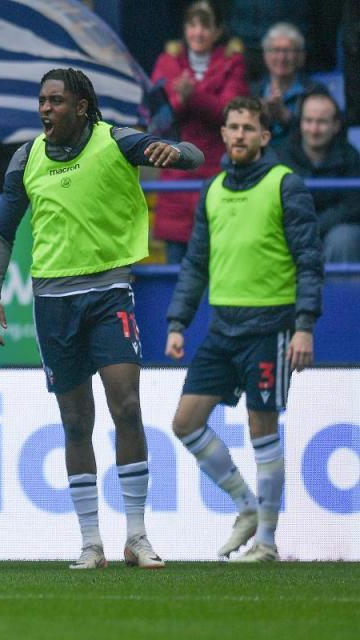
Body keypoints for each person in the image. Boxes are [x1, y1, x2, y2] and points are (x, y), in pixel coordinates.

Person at [0, 68, 204, 570]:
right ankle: (90, 542)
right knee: (76, 422)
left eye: (56, 101)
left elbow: (195, 156)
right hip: (53, 301)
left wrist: (173, 153)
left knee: (126, 405)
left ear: (82, 107)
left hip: (108, 292)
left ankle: (138, 536)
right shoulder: (26, 158)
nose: (45, 109)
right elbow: (1, 232)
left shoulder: (116, 141)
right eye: (41, 100)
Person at [166, 96, 322, 563]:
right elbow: (194, 264)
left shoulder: (284, 185)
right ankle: (246, 505)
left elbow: (309, 260)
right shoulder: (211, 190)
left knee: (262, 431)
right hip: (222, 327)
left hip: (270, 327)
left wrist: (304, 326)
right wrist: (178, 323)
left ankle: (268, 543)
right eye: (231, 128)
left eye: (248, 129)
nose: (237, 135)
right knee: (185, 422)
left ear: (264, 136)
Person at [149, 1, 246, 264]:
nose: (198, 33)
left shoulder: (233, 62)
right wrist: (182, 102)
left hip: (218, 177)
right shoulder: (168, 61)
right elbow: (157, 120)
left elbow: (232, 114)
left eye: (206, 26)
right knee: (176, 276)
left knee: (221, 270)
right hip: (176, 181)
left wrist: (192, 97)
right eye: (192, 25)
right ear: (185, 29)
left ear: (217, 31)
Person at [277, 90, 360, 263]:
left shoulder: (351, 157)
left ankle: (340, 291)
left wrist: (314, 227)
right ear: (300, 123)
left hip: (332, 233)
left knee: (345, 238)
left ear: (336, 125)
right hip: (291, 233)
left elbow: (352, 207)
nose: (314, 129)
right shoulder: (280, 157)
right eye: (308, 121)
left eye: (321, 122)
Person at [253, 22, 317, 148]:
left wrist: (285, 116)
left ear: (301, 56)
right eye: (275, 51)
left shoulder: (314, 92)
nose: (281, 57)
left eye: (288, 51)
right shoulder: (253, 92)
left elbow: (323, 137)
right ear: (265, 56)